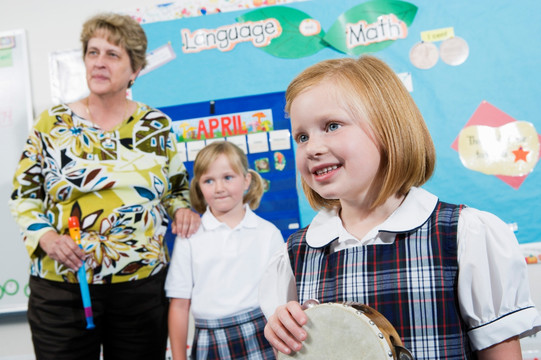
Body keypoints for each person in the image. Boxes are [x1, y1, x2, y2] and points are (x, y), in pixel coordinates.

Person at [259, 55, 541, 360]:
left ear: (388, 127)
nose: (312, 147)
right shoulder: (295, 255)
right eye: (302, 136)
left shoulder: (463, 234)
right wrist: (287, 332)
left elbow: (501, 353)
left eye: (332, 126)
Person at [9, 12, 200, 360]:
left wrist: (183, 210)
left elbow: (175, 191)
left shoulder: (156, 126)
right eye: (92, 52)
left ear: (135, 69)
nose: (99, 63)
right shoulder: (51, 124)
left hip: (140, 289)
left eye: (113, 54)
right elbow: (24, 196)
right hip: (62, 289)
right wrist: (47, 238)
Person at [165, 141, 284, 360]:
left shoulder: (268, 233)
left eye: (228, 177)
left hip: (261, 333)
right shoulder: (190, 238)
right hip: (209, 339)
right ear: (199, 187)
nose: (219, 188)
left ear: (246, 180)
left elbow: (280, 299)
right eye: (209, 180)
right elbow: (179, 306)